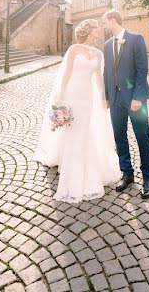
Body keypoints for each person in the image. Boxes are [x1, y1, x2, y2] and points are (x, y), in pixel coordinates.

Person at [34, 19, 121, 203]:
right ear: (89, 30)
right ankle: (71, 167)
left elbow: (98, 78)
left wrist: (103, 98)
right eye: (96, 27)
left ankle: (86, 165)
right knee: (73, 130)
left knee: (84, 130)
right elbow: (65, 75)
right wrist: (60, 97)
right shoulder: (73, 49)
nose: (99, 29)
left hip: (88, 98)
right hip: (72, 95)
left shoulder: (98, 53)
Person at [102, 9, 149, 199]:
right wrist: (107, 97)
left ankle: (148, 177)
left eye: (105, 22)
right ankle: (127, 173)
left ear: (113, 21)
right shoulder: (107, 45)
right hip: (115, 101)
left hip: (135, 100)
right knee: (119, 138)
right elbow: (107, 72)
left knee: (142, 137)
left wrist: (138, 97)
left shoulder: (135, 39)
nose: (104, 25)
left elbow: (142, 69)